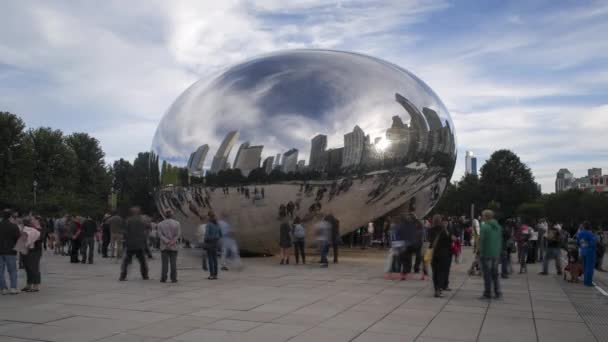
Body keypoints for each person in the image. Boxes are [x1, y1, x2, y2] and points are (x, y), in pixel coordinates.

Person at [119, 207, 149, 281]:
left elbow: (125, 232)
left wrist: (125, 241)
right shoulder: (142, 221)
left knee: (126, 261)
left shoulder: (128, 220)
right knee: (142, 261)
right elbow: (144, 233)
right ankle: (144, 275)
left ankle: (123, 275)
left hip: (130, 244)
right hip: (139, 244)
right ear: (138, 212)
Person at [479, 210, 502, 299]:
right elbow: (499, 240)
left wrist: (480, 252)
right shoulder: (498, 227)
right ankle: (497, 292)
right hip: (495, 253)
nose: (482, 217)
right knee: (495, 274)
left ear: (486, 217)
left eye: (483, 216)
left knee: (487, 275)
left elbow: (482, 241)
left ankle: (487, 293)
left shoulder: (485, 227)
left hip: (486, 253)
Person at [429, 214, 451, 298]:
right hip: (443, 254)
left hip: (434, 253)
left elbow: (430, 242)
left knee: (435, 272)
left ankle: (436, 289)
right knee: (441, 272)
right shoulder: (444, 230)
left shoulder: (430, 230)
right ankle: (439, 289)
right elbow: (448, 242)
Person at [0, 209, 21, 295]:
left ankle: (3, 288)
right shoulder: (14, 226)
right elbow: (18, 239)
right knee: (12, 270)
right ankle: (13, 287)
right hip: (11, 251)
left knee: (0, 271)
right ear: (10, 216)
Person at [20, 217, 43, 292]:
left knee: (34, 268)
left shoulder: (40, 229)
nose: (32, 221)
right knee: (27, 268)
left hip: (35, 251)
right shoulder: (27, 229)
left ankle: (35, 285)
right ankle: (28, 284)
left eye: (33, 219)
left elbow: (42, 238)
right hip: (27, 250)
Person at [158, 210, 181, 283]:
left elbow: (160, 235)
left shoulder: (160, 224)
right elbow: (178, 234)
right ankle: (173, 278)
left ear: (165, 215)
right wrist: (172, 241)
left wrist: (167, 241)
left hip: (164, 246)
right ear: (171, 215)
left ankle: (163, 278)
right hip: (173, 245)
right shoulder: (177, 223)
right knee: (173, 263)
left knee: (164, 263)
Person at [576, 222, 597, 287]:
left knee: (585, 267)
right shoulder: (591, 234)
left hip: (583, 251)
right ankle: (588, 282)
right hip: (590, 251)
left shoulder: (580, 233)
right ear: (589, 227)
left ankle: (585, 281)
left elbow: (578, 242)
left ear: (584, 226)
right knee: (590, 267)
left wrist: (583, 246)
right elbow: (593, 243)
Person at [204, 212, 222, 279]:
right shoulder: (217, 225)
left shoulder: (209, 225)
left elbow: (206, 235)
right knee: (215, 259)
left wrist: (205, 241)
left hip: (210, 243)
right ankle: (215, 275)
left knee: (210, 259)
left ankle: (211, 275)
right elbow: (221, 234)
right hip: (216, 243)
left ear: (209, 217)